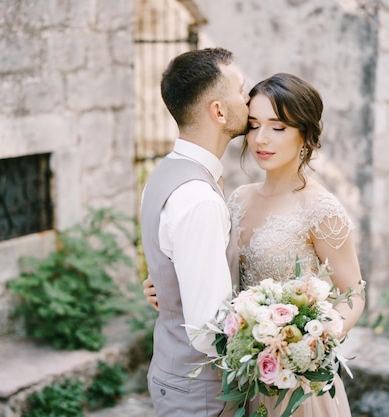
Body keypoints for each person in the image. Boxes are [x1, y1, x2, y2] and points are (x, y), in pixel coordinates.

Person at [144, 72, 365, 417]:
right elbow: (214, 277)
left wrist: (307, 343)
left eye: (278, 128)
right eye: (253, 125)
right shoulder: (237, 199)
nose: (262, 139)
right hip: (241, 378)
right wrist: (170, 288)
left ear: (305, 134)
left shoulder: (321, 210)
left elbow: (354, 295)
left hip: (296, 385)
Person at [139, 47, 250, 417]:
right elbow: (209, 332)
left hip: (173, 375)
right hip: (201, 396)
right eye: (242, 90)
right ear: (218, 111)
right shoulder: (198, 198)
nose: (248, 100)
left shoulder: (167, 172)